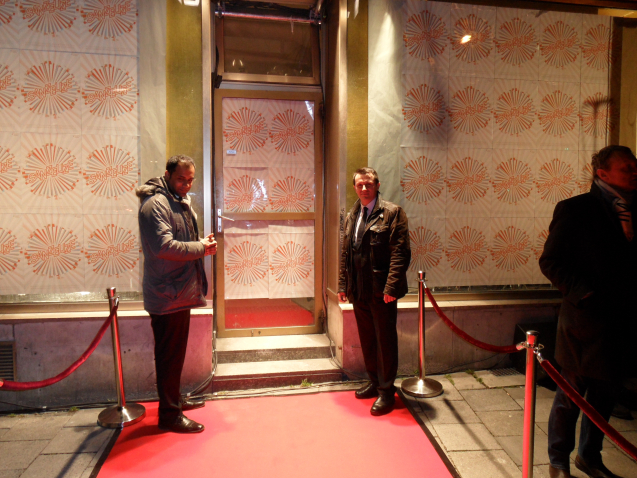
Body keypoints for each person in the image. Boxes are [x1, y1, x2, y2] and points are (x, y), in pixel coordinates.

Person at [539, 145, 637, 478]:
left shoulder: (634, 209)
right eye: (627, 167)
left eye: (635, 166)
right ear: (602, 173)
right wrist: (584, 293)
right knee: (570, 397)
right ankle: (558, 461)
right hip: (585, 321)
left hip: (622, 322)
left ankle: (590, 457)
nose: (634, 172)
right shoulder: (576, 209)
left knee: (605, 396)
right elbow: (550, 262)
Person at [136, 155, 217, 434]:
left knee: (174, 354)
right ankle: (170, 414)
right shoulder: (156, 204)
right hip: (167, 293)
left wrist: (200, 245)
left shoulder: (175, 200)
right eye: (182, 178)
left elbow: (177, 242)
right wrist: (201, 248)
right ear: (168, 174)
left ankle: (174, 402)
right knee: (169, 356)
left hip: (176, 291)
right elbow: (163, 247)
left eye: (191, 179)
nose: (187, 184)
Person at [338, 167, 411, 416]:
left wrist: (391, 287)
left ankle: (387, 392)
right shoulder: (352, 215)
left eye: (369, 184)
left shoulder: (392, 213)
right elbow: (346, 253)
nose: (364, 189)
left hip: (382, 292)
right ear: (355, 187)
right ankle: (374, 381)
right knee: (368, 340)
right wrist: (342, 286)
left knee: (385, 342)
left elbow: (400, 254)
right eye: (360, 185)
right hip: (359, 290)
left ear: (377, 185)